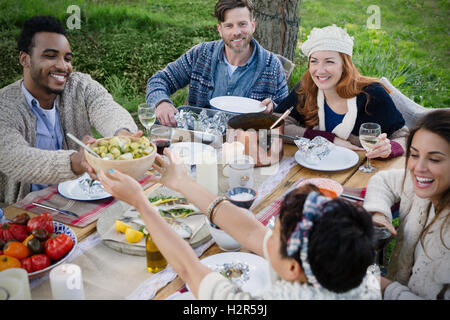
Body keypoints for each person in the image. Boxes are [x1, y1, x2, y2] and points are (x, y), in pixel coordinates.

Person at [98, 150, 380, 300]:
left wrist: (140, 203)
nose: (266, 232)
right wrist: (181, 181)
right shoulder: (345, 270)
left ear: (293, 269)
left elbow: (190, 270)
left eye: (276, 233)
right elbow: (251, 231)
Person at [0, 16, 141, 206]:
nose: (63, 66)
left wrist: (122, 135)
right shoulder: (4, 105)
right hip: (28, 212)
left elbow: (107, 108)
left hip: (84, 198)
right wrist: (76, 161)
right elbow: (15, 158)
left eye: (67, 58)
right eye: (50, 56)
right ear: (24, 59)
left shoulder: (80, 85)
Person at [146, 0, 289, 127]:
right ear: (220, 30)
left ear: (253, 25)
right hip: (197, 143)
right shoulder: (201, 54)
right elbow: (159, 80)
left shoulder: (272, 66)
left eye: (242, 24)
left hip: (245, 147)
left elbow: (285, 116)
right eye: (229, 26)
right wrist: (161, 103)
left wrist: (273, 107)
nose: (236, 32)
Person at [274, 25, 408, 159]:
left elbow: (403, 136)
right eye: (314, 61)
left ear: (344, 65)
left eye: (329, 62)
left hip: (362, 170)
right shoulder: (306, 87)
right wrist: (328, 139)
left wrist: (389, 148)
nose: (320, 70)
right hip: (316, 166)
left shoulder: (372, 94)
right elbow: (276, 124)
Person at [364, 109, 450, 300]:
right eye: (414, 154)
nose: (418, 168)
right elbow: (383, 181)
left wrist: (383, 287)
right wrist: (379, 214)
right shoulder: (425, 185)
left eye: (434, 159)